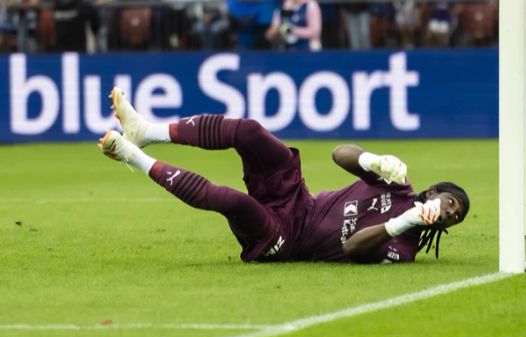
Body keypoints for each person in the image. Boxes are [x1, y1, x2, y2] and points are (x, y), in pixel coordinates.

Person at [98, 88, 469, 263]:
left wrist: (404, 221)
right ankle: (146, 132)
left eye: (455, 217)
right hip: (297, 199)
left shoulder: (403, 250)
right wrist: (373, 160)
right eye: (451, 203)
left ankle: (132, 156)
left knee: (232, 200)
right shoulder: (398, 183)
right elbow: (340, 154)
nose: (450, 212)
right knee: (248, 131)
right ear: (434, 191)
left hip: (287, 239)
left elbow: (352, 246)